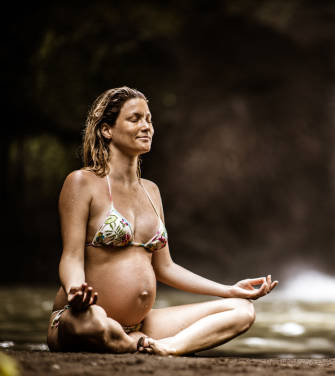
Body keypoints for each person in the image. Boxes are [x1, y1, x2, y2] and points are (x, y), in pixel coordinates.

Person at [46, 86, 278, 355]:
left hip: (140, 324)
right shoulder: (82, 182)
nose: (146, 127)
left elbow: (166, 268)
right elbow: (71, 257)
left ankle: (165, 348)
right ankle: (132, 343)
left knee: (241, 311)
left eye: (149, 119)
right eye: (135, 119)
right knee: (96, 322)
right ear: (107, 129)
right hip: (81, 316)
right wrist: (76, 291)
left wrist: (228, 290)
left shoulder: (151, 190)